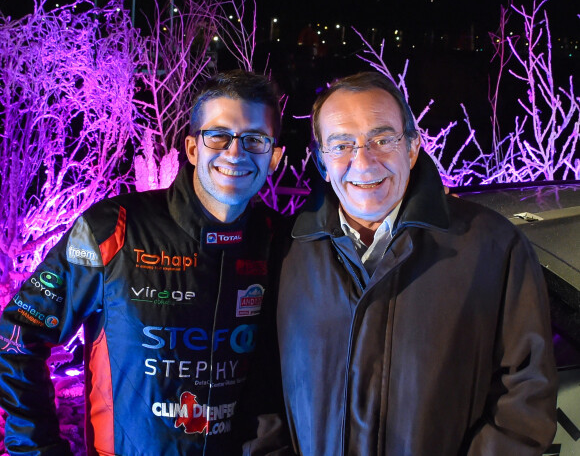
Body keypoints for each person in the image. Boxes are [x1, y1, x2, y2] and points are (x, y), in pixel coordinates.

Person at [0, 70, 287, 455]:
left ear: (274, 157)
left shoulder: (277, 240)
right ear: (191, 148)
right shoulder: (112, 228)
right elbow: (15, 338)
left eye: (255, 140)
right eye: (218, 136)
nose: (235, 153)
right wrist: (39, 450)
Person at [276, 72, 558, 455]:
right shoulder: (288, 252)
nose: (363, 161)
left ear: (412, 148)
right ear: (322, 161)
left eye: (382, 139)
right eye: (341, 145)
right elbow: (265, 394)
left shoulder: (491, 245)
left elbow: (526, 395)